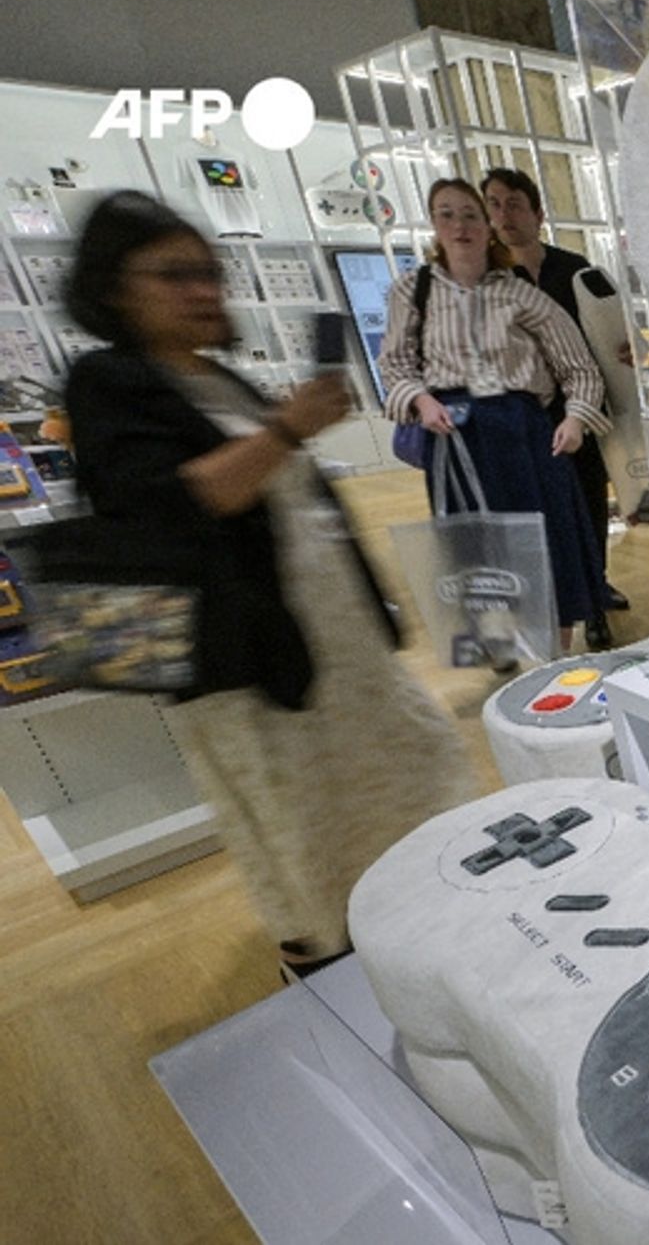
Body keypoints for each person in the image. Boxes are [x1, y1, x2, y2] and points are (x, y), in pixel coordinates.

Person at [61, 190, 479, 976]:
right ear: (114, 287)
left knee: (405, 776)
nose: (202, 291)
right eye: (174, 274)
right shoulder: (108, 382)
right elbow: (187, 500)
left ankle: (414, 929)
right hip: (249, 662)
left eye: (208, 272)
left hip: (331, 641)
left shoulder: (212, 379)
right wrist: (288, 425)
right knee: (302, 827)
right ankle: (328, 971)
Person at [378, 177, 612, 659]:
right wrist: (421, 401)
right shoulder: (412, 290)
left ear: (487, 227)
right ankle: (499, 643)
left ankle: (553, 657)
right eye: (447, 214)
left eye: (470, 214)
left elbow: (579, 365)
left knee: (548, 545)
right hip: (457, 437)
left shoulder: (518, 293)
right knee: (476, 549)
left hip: (523, 432)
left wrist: (575, 420)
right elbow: (395, 364)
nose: (460, 225)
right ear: (433, 224)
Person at [482, 167, 630, 650]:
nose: (504, 215)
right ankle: (551, 604)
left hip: (582, 407)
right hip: (526, 414)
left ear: (537, 213)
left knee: (589, 502)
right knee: (541, 512)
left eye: (514, 204)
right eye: (495, 204)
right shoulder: (488, 280)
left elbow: (609, 331)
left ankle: (594, 596)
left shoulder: (574, 268)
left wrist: (624, 349)